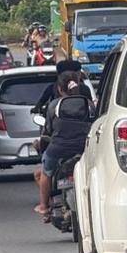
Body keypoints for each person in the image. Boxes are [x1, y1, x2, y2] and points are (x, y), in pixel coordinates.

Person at [36, 71, 92, 221]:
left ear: (60, 89)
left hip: (58, 149)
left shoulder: (54, 105)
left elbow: (48, 129)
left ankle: (43, 206)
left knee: (45, 173)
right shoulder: (88, 103)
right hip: (83, 148)